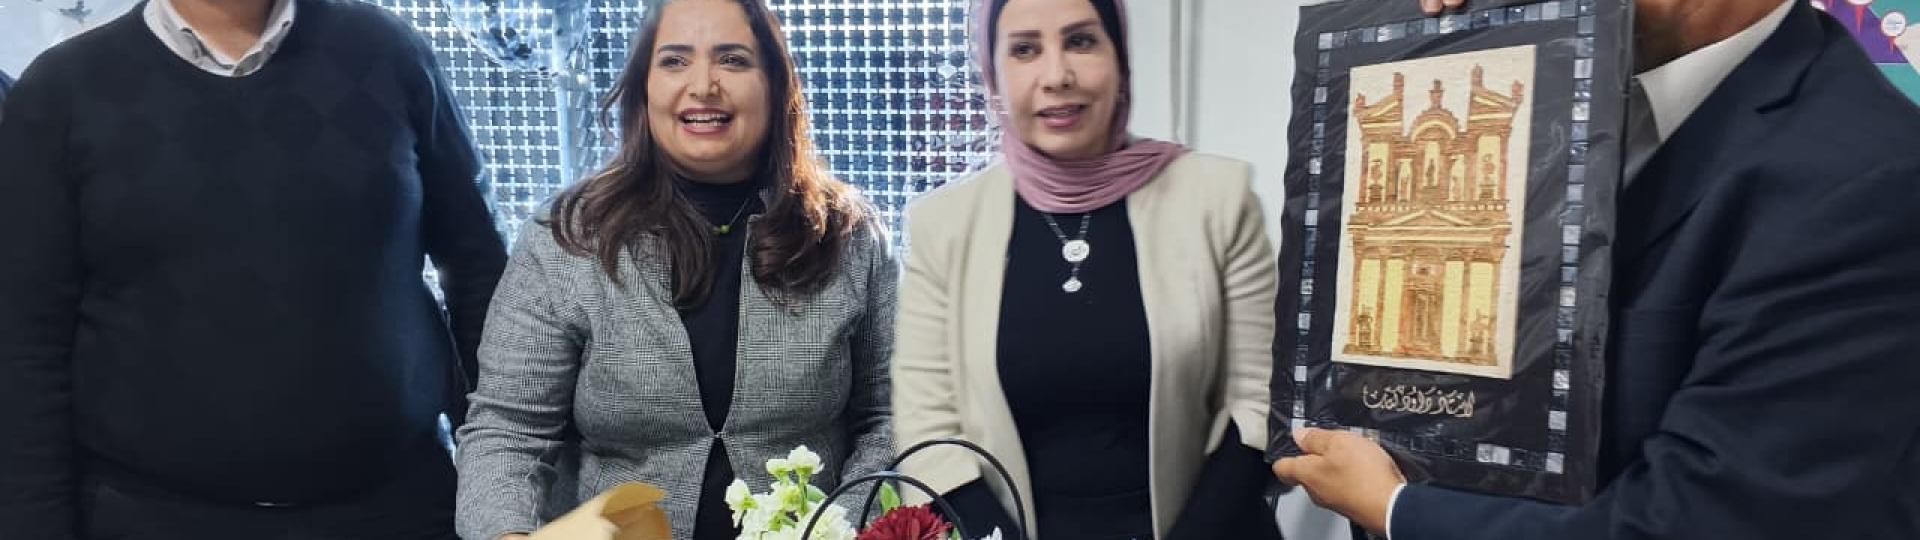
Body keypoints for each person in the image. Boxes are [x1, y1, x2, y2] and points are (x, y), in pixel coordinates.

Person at [1273, 1, 1920, 538]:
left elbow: (1707, 517)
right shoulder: (1550, 76)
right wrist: (1447, 34)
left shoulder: (1865, 179)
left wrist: (1398, 509)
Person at [0, 0, 508, 536]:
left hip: (401, 506)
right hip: (154, 516)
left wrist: (506, 480)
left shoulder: (387, 52)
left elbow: (479, 269)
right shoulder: (63, 92)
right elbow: (26, 341)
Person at [452, 1, 896, 539]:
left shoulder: (848, 236)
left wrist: (849, 529)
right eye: (675, 61)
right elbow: (508, 429)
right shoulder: (567, 237)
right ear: (644, 87)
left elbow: (889, 419)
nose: (703, 85)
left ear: (777, 85)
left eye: (732, 60)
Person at [891, 0, 1282, 538]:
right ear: (993, 75)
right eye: (1025, 49)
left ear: (1120, 61)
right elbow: (927, 430)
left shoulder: (1219, 200)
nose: (1056, 76)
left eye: (1080, 41)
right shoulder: (944, 226)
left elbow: (1258, 404)